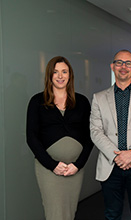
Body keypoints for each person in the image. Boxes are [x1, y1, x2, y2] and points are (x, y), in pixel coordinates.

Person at [90, 49, 131, 220]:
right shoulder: (98, 98)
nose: (123, 67)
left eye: (128, 63)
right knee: (112, 215)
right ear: (112, 66)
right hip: (110, 165)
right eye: (119, 62)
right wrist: (118, 157)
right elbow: (95, 131)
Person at [26, 56, 94, 220]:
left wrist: (78, 165)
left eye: (64, 71)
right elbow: (31, 137)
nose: (60, 76)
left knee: (69, 212)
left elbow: (90, 137)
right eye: (55, 72)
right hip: (49, 169)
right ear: (49, 75)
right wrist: (52, 165)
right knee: (55, 213)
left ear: (70, 75)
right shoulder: (37, 101)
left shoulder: (82, 102)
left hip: (75, 169)